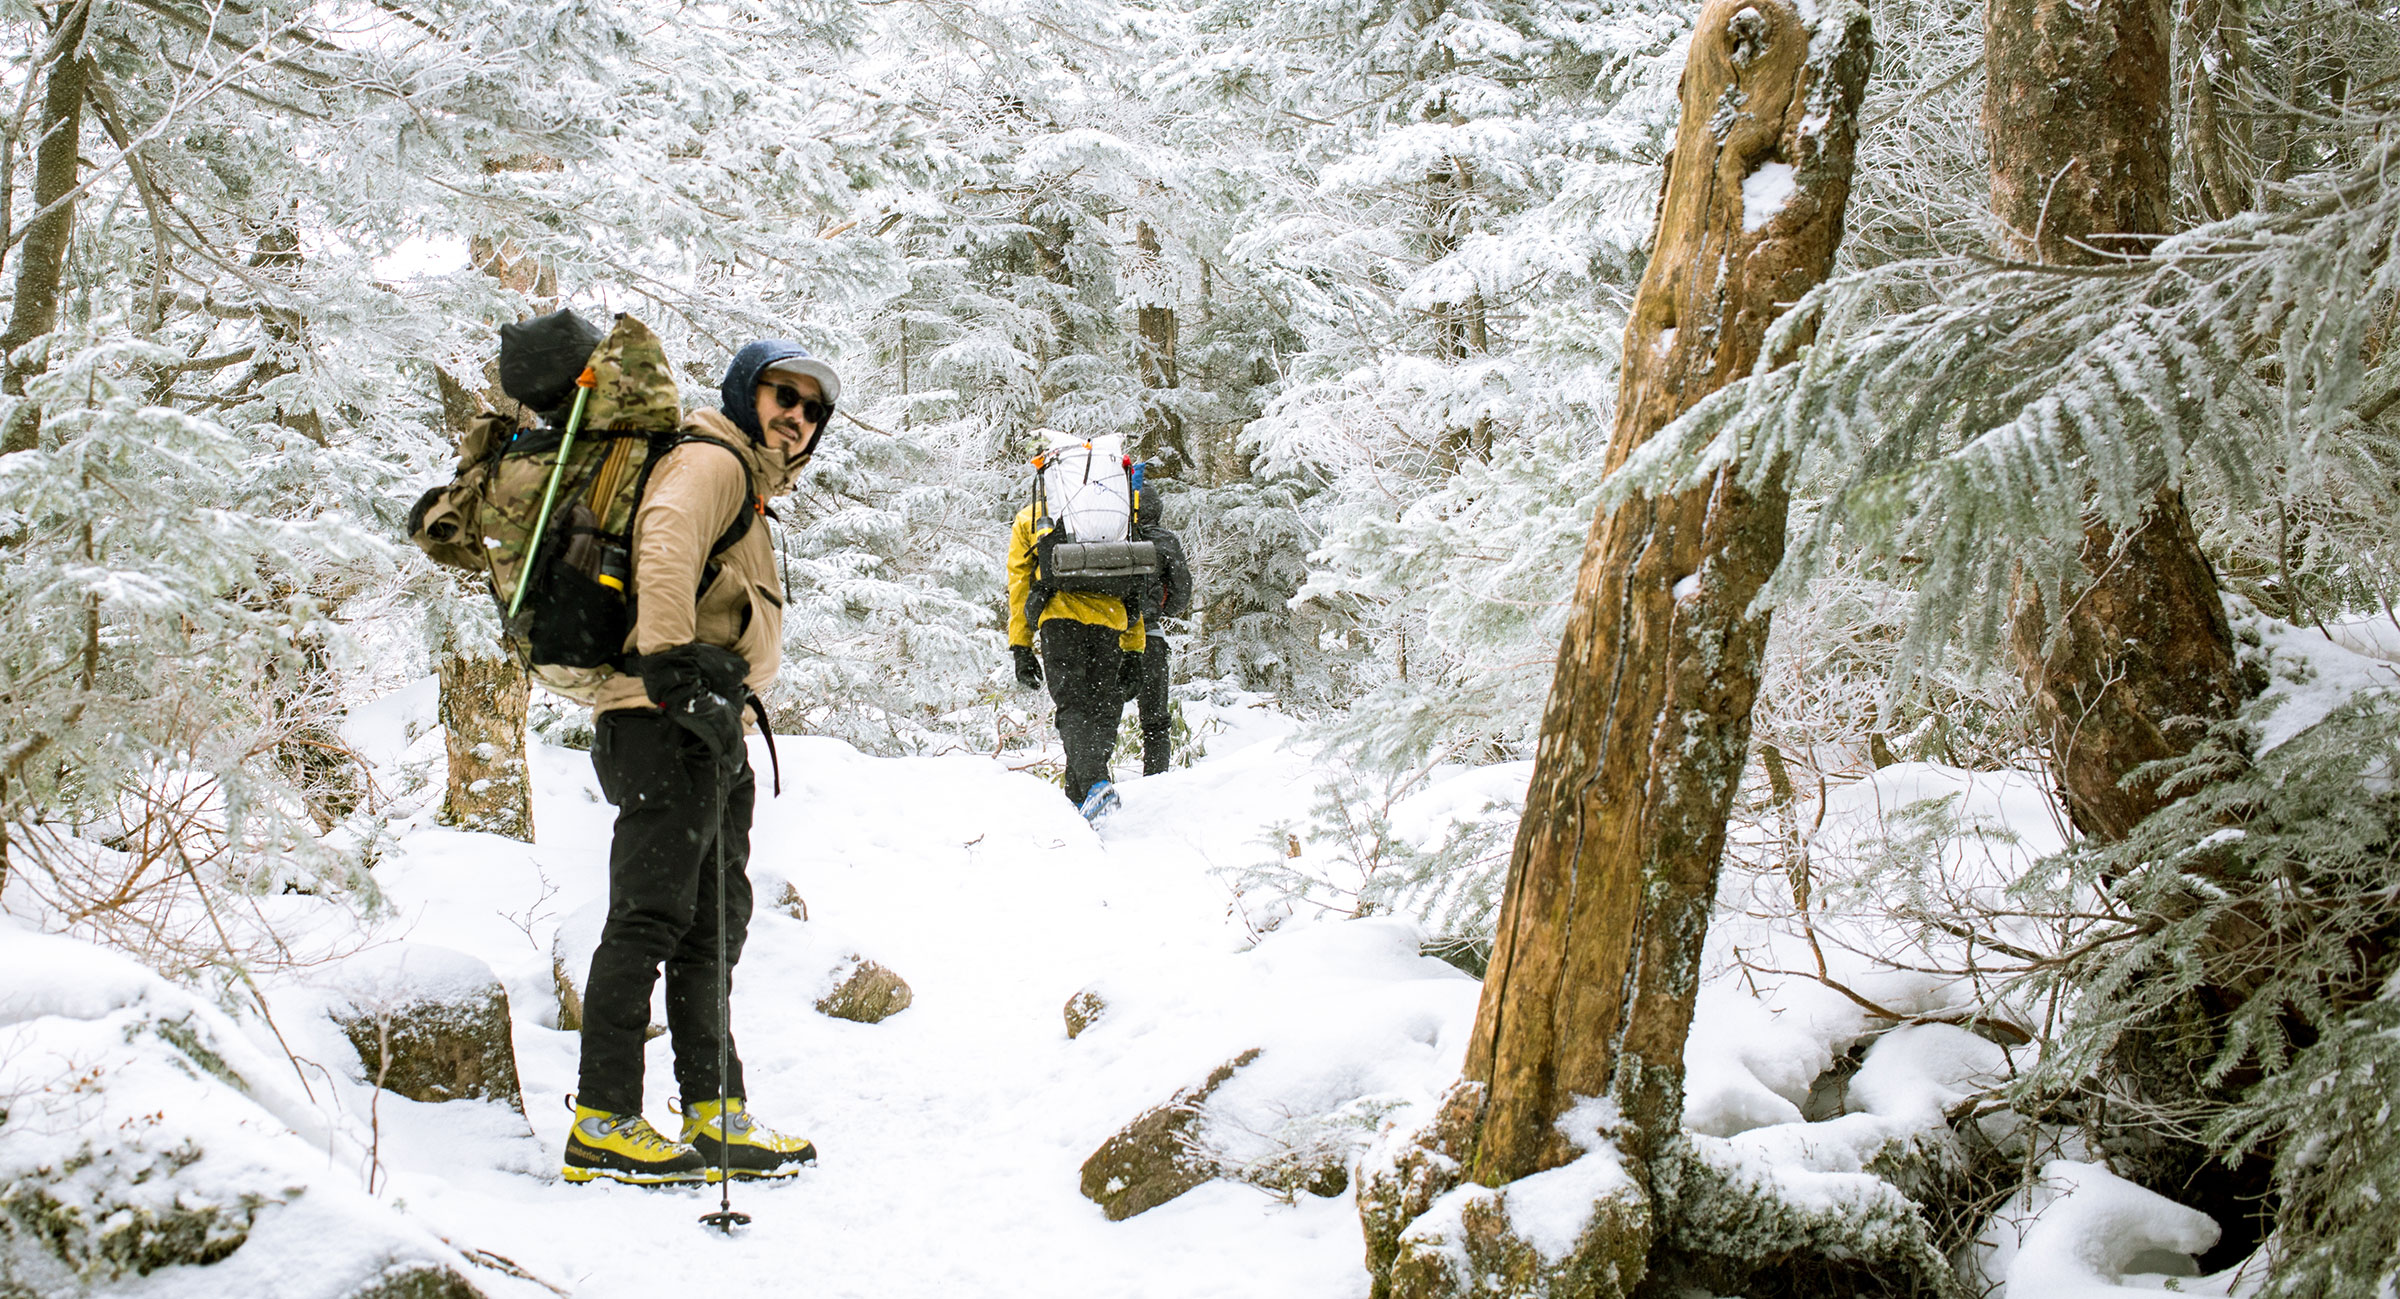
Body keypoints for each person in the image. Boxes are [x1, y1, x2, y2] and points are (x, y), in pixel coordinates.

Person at [563, 340, 837, 1186]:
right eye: (780, 394)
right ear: (743, 393)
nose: (795, 415)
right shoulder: (710, 458)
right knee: (649, 915)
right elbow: (669, 544)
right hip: (663, 715)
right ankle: (603, 1120)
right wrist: (676, 673)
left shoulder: (746, 484)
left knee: (713, 921)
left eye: (811, 409)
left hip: (709, 722)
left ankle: (714, 1110)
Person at [1006, 456, 1146, 816]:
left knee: (1073, 707)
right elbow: (1134, 580)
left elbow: (1019, 583)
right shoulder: (1116, 517)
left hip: (1061, 620)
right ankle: (1080, 800)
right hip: (1111, 622)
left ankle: (1095, 786)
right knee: (1102, 710)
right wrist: (1134, 647)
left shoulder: (1033, 518)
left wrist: (1021, 644)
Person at [1117, 476, 1192, 776]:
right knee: (1156, 720)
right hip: (1151, 636)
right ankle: (1157, 780)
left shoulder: (1112, 537)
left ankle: (1097, 781)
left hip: (1110, 639)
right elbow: (1180, 595)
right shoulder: (1165, 541)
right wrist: (1159, 606)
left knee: (1101, 716)